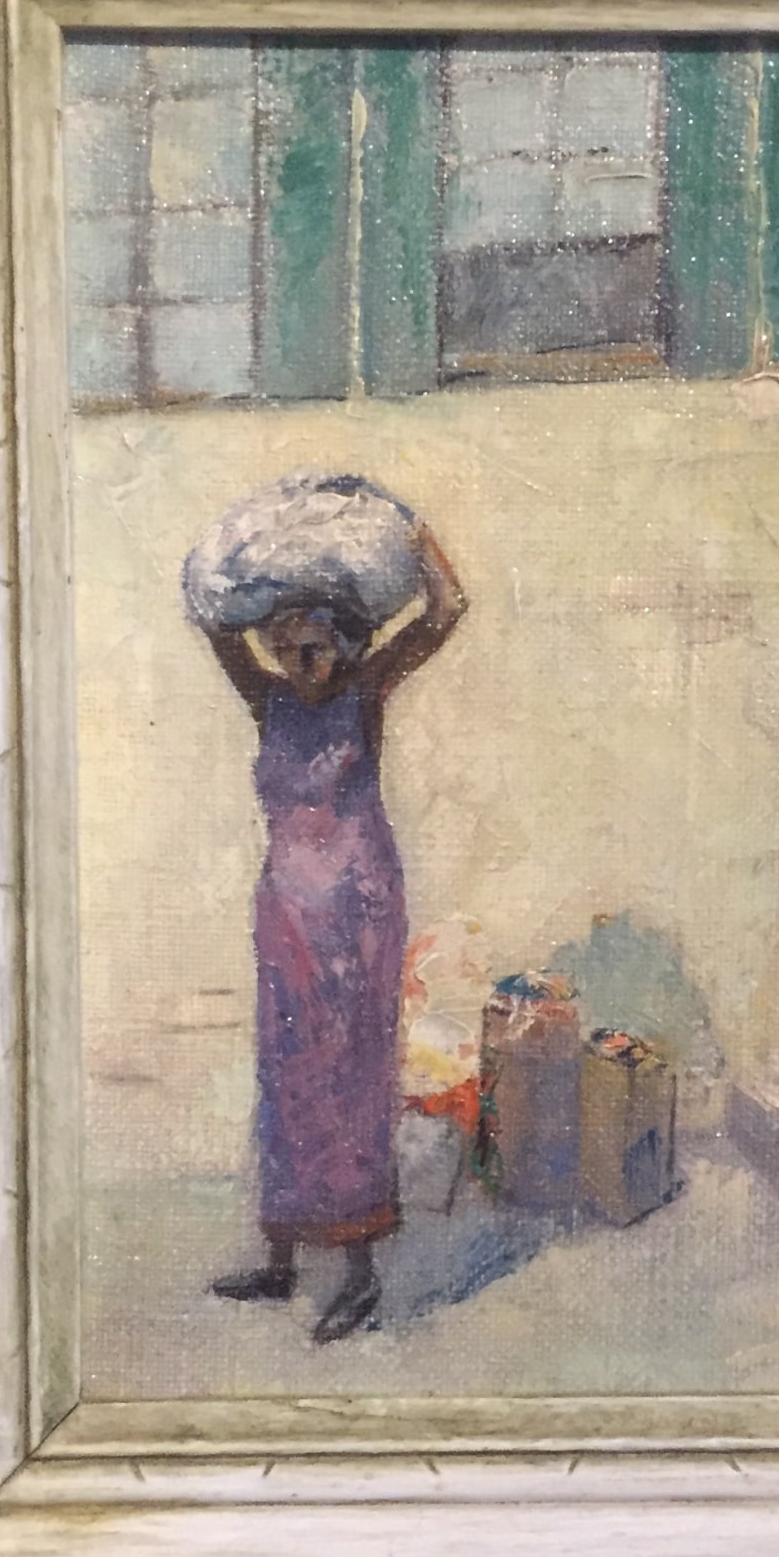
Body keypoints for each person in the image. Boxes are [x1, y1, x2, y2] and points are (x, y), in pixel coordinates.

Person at [202, 515, 467, 1342]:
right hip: (284, 918)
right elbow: (212, 621)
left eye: (313, 648)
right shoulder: (268, 701)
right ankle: (280, 1260)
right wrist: (241, 566)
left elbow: (445, 612)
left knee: (348, 1082)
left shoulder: (365, 693)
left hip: (356, 918)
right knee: (286, 1081)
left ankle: (357, 1274)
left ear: (346, 645)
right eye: (284, 648)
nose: (299, 663)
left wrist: (416, 540)